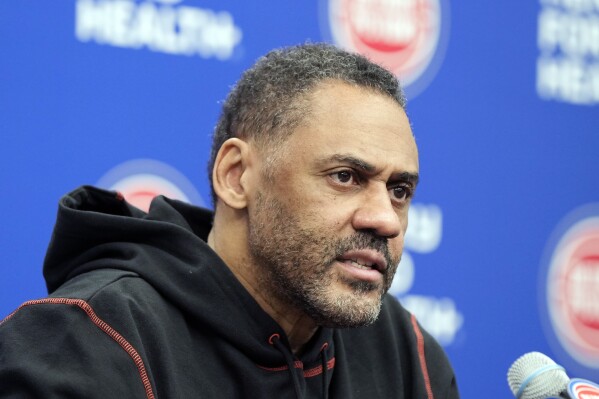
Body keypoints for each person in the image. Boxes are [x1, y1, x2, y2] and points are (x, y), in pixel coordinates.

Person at [0, 43, 459, 398]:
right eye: (345, 176)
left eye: (399, 191)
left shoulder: (406, 353)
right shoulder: (89, 340)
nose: (385, 220)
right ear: (236, 176)